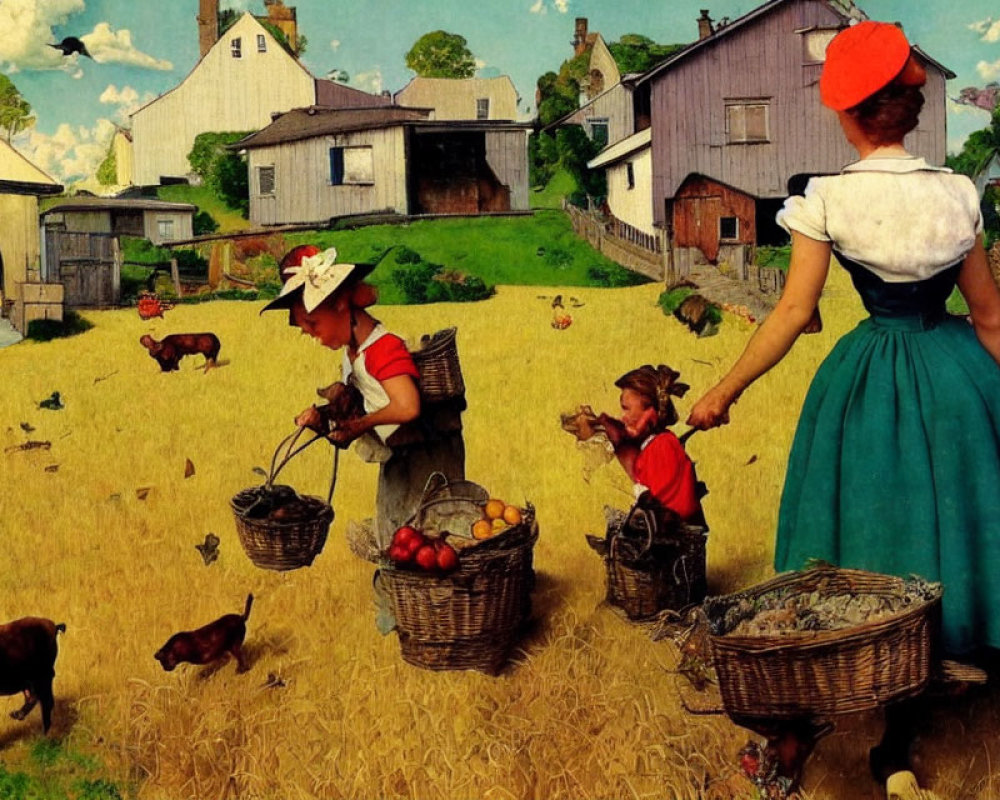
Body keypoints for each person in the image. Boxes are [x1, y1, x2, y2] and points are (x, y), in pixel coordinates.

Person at [687, 20, 1000, 797]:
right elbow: (990, 317)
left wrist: (724, 390)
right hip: (957, 373)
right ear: (910, 112)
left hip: (867, 378)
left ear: (846, 115)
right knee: (957, 515)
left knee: (869, 525)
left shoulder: (825, 199)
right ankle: (948, 663)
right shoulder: (957, 193)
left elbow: (793, 314)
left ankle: (878, 668)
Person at [261, 245, 465, 550]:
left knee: (431, 533)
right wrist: (323, 415)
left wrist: (360, 425)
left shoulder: (383, 348)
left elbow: (407, 407)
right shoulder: (352, 351)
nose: (314, 337)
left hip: (429, 457)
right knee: (396, 530)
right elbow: (362, 399)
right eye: (306, 331)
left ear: (342, 303)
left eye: (314, 325)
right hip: (398, 457)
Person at [599, 364, 704, 524]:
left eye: (627, 409)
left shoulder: (662, 445)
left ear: (650, 413)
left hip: (676, 533)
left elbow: (666, 501)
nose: (622, 417)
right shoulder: (653, 445)